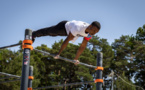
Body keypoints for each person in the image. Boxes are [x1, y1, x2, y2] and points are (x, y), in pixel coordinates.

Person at [32, 20, 101, 65]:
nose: (94, 33)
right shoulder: (78, 27)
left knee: (53, 35)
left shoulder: (89, 34)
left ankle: (34, 34)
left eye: (96, 32)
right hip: (63, 27)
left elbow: (82, 46)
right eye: (94, 31)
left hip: (69, 32)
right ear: (90, 26)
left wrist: (75, 59)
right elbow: (67, 40)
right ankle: (33, 34)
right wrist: (58, 54)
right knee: (50, 32)